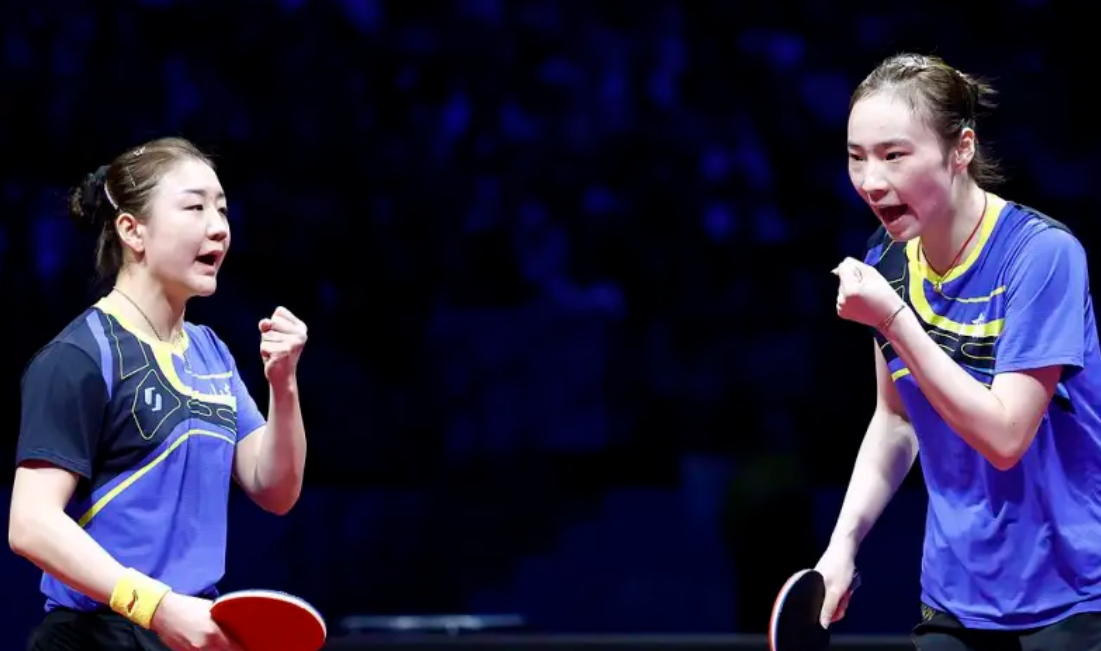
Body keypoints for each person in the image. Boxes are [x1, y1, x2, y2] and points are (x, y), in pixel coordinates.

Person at [821, 53, 1101, 649]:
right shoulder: (887, 260)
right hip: (955, 595)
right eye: (856, 157)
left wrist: (894, 319)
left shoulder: (1042, 256)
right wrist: (841, 545)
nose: (871, 181)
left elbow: (1005, 437)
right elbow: (896, 420)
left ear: (961, 149)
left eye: (894, 155)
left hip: (1072, 595)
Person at [8, 137, 310, 651]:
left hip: (185, 631)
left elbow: (275, 489)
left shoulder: (211, 353)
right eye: (194, 208)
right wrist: (157, 606)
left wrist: (283, 383)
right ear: (133, 231)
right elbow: (30, 524)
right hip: (96, 637)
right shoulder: (81, 355)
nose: (219, 227)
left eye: (222, 209)